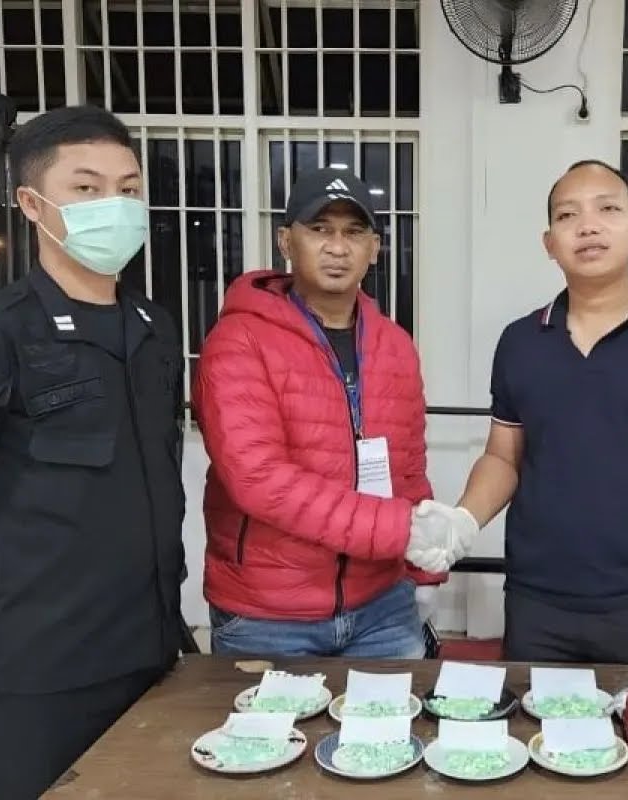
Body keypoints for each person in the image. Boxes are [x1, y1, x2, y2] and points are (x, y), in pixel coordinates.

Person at [0, 105, 186, 799]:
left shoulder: (153, 329)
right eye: (86, 188)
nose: (115, 205)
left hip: (149, 650)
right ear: (31, 203)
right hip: (42, 667)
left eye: (128, 188)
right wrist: (2, 613)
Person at [412, 160, 628, 669]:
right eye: (568, 215)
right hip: (536, 601)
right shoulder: (521, 342)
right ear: (550, 244)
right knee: (532, 717)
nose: (588, 226)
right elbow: (503, 458)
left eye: (607, 209)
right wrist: (462, 520)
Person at [192, 166, 450, 659]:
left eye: (353, 233)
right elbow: (260, 480)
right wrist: (400, 530)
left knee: (395, 714)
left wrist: (424, 571)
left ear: (375, 248)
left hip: (382, 608)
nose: (337, 247)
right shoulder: (240, 340)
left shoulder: (395, 345)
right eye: (320, 229)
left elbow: (408, 470)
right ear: (286, 241)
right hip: (269, 614)